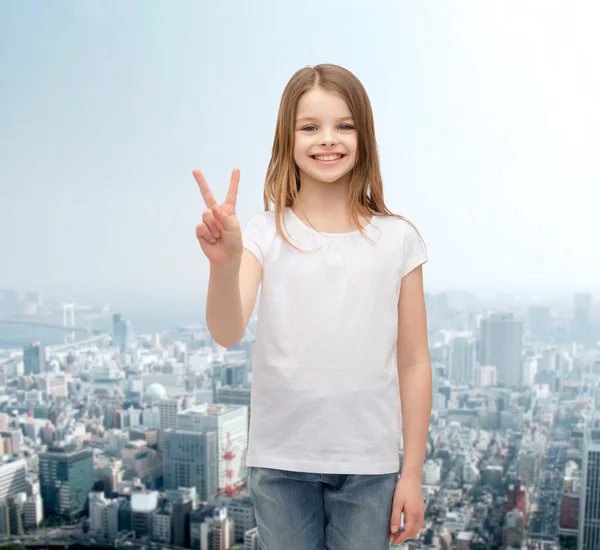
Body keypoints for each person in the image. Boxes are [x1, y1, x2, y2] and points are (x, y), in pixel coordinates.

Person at [192, 63, 432, 549]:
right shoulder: (262, 232)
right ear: (288, 137)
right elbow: (227, 329)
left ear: (364, 135)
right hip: (281, 463)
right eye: (310, 127)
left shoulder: (398, 238)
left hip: (371, 467)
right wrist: (224, 264)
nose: (329, 139)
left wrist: (412, 473)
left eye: (345, 125)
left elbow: (414, 360)